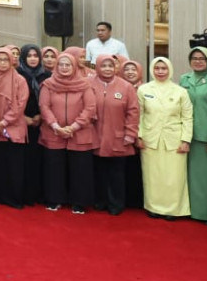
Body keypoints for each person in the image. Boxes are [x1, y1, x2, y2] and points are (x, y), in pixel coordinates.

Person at [39, 53, 97, 214]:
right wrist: (56, 126)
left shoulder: (85, 85)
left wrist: (74, 126)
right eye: (61, 65)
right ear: (56, 67)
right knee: (54, 167)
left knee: (80, 168)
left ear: (74, 67)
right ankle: (54, 199)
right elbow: (44, 106)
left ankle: (79, 202)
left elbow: (90, 108)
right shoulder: (48, 84)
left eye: (68, 65)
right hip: (53, 131)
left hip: (79, 132)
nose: (64, 68)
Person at [138, 57, 192, 219]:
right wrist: (139, 136)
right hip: (150, 139)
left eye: (164, 68)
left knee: (174, 176)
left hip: (174, 141)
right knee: (152, 176)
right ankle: (153, 207)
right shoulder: (143, 89)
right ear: (152, 70)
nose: (160, 72)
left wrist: (185, 140)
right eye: (157, 68)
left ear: (170, 70)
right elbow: (138, 115)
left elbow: (188, 117)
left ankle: (173, 209)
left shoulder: (180, 91)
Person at [91, 54, 139, 216]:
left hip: (118, 136)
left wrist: (130, 134)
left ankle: (116, 204)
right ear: (97, 67)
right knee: (99, 172)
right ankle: (100, 201)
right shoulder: (88, 84)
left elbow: (133, 112)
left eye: (110, 66)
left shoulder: (126, 87)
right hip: (95, 135)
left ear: (116, 68)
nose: (107, 69)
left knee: (116, 174)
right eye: (103, 66)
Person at [0, 47, 29, 209]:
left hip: (13, 127)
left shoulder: (19, 80)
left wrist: (3, 122)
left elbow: (20, 104)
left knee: (13, 165)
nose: (2, 63)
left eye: (6, 60)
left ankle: (13, 197)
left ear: (11, 61)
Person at [17, 44, 50, 206]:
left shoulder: (47, 75)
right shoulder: (17, 74)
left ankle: (38, 194)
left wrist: (40, 116)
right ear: (23, 57)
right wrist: (23, 117)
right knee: (23, 161)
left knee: (39, 160)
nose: (32, 59)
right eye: (29, 56)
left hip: (42, 123)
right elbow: (12, 100)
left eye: (35, 56)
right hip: (20, 122)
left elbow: (52, 101)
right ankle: (25, 195)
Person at [179, 46, 207, 222]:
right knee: (192, 176)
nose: (198, 61)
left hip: (205, 136)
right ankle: (194, 211)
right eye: (194, 58)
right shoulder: (184, 78)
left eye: (202, 58)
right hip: (187, 135)